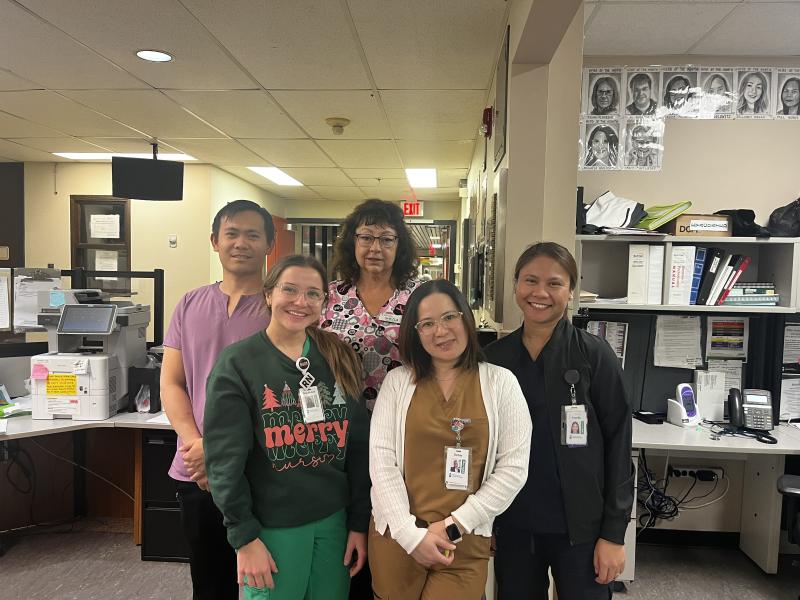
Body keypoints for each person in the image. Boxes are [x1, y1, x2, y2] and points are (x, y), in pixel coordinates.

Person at [204, 255, 371, 599]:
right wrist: (244, 537)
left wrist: (357, 523)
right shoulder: (237, 363)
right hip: (270, 529)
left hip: (333, 526)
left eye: (313, 294)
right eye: (290, 290)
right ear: (268, 294)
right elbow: (224, 463)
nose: (301, 302)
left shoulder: (337, 357)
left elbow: (357, 448)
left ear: (324, 303)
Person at [484, 242, 633, 600]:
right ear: (516, 285)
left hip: (582, 529)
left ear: (571, 291)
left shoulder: (594, 356)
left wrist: (614, 534)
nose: (540, 293)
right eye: (530, 280)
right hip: (515, 525)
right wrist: (481, 521)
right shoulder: (493, 360)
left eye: (554, 283)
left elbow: (618, 445)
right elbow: (481, 447)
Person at [369, 279, 532, 600]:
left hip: (464, 541)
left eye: (449, 318)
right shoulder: (397, 383)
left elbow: (513, 470)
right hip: (397, 537)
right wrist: (409, 535)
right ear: (414, 333)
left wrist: (453, 526)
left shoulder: (501, 383)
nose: (440, 331)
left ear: (466, 319)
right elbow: (381, 463)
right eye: (427, 323)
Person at [161, 200, 276, 600]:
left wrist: (221, 451)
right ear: (215, 241)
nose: (240, 242)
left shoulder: (278, 309)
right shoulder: (189, 304)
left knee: (263, 583)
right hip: (196, 470)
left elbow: (282, 397)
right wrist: (197, 444)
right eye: (231, 233)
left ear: (268, 245)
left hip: (256, 471)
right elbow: (173, 383)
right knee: (209, 583)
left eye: (252, 234)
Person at [322, 198, 420, 412]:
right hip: (341, 414)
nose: (375, 248)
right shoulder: (329, 295)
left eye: (386, 240)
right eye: (366, 237)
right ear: (353, 243)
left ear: (399, 245)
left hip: (406, 413)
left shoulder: (419, 295)